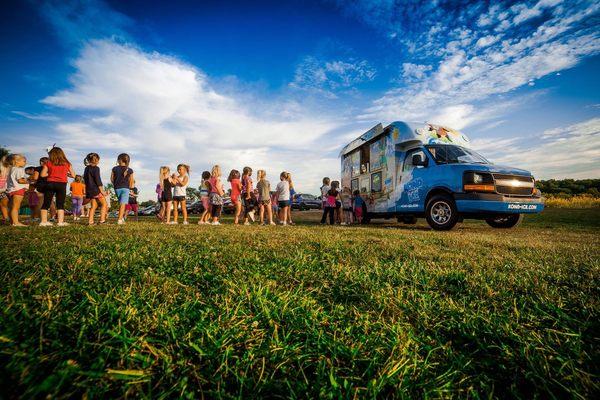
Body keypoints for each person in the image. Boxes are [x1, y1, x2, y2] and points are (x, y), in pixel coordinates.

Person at [39, 147, 75, 226]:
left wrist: (51, 174)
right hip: (61, 184)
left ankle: (43, 222)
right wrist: (65, 174)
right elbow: (73, 175)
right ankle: (60, 222)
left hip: (50, 184)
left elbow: (42, 174)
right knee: (60, 203)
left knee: (46, 202)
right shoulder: (67, 163)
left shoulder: (48, 163)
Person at [83, 153, 108, 225]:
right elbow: (98, 180)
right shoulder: (96, 168)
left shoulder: (86, 168)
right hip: (96, 190)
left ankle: (90, 222)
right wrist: (102, 191)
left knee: (94, 206)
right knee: (104, 204)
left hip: (89, 190)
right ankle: (102, 221)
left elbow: (86, 179)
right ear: (97, 160)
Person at [111, 153, 134, 225]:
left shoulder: (114, 168)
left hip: (117, 188)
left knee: (121, 204)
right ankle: (120, 220)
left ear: (120, 160)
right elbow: (131, 180)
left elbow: (111, 179)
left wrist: (115, 184)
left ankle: (122, 218)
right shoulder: (130, 170)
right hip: (125, 188)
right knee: (123, 204)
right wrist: (130, 188)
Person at [6, 154, 29, 226]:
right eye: (24, 161)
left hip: (11, 190)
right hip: (18, 189)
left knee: (11, 207)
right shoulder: (19, 170)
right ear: (16, 161)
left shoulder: (11, 169)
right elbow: (20, 181)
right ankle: (16, 223)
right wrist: (29, 181)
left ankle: (12, 222)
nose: (25, 163)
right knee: (16, 207)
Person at [0, 155, 10, 224]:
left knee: (6, 203)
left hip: (8, 188)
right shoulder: (1, 168)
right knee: (3, 203)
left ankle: (6, 218)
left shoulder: (11, 169)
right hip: (1, 189)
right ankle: (6, 218)